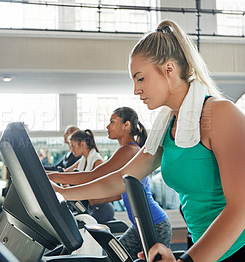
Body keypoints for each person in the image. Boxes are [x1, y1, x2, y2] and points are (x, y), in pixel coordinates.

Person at [51, 19, 245, 262]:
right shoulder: (166, 127)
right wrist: (60, 193)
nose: (135, 90)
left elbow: (240, 210)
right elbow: (120, 179)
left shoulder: (223, 115)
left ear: (169, 69)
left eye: (140, 78)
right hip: (207, 254)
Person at [49, 106, 172, 260]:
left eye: (112, 122)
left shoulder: (129, 151)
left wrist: (53, 179)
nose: (107, 126)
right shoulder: (127, 150)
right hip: (141, 224)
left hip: (154, 224)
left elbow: (94, 175)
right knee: (114, 256)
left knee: (115, 257)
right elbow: (116, 189)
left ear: (126, 125)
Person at [64, 129, 115, 223]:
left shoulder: (98, 161)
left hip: (102, 208)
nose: (71, 150)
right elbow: (65, 173)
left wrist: (71, 186)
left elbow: (97, 186)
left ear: (82, 144)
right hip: (90, 206)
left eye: (73, 146)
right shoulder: (83, 160)